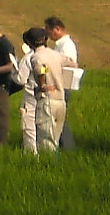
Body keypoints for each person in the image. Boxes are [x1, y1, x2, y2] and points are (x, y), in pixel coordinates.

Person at [29, 26, 69, 154]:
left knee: (46, 140)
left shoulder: (37, 56)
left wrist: (42, 85)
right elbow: (72, 64)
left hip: (47, 100)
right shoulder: (56, 55)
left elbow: (41, 69)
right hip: (61, 100)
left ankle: (48, 167)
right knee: (55, 139)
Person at [44, 16, 78, 151]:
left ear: (57, 29)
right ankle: (62, 146)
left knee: (60, 120)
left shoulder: (66, 46)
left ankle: (68, 147)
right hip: (57, 85)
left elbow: (67, 65)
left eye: (48, 31)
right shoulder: (60, 46)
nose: (47, 34)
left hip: (62, 86)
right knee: (57, 119)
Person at [13, 28, 40, 153]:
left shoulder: (28, 58)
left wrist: (14, 71)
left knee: (29, 129)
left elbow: (20, 79)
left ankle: (32, 156)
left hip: (31, 97)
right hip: (48, 95)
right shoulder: (50, 54)